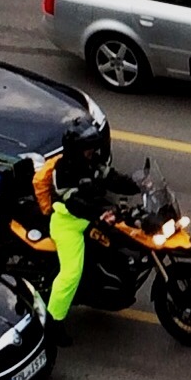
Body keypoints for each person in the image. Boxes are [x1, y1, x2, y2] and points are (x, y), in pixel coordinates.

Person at [46, 119, 138, 345]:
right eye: (88, 148)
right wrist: (100, 213)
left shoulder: (92, 162)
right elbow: (74, 203)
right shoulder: (63, 171)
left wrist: (139, 184)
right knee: (71, 274)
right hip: (69, 223)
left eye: (93, 148)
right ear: (76, 149)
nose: (92, 152)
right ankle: (52, 324)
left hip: (93, 219)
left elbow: (111, 177)